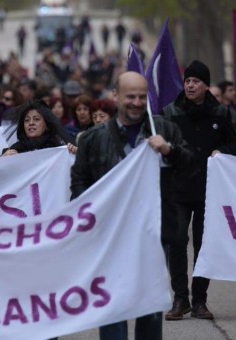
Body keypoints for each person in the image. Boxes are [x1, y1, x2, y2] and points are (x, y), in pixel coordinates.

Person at [71, 71, 193, 340]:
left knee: (148, 307)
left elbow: (190, 168)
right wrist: (90, 216)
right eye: (130, 96)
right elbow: (79, 183)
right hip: (110, 235)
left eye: (141, 96)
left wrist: (169, 150)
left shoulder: (165, 130)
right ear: (116, 96)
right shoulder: (94, 139)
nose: (136, 102)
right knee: (114, 307)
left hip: (153, 233)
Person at [163, 60, 236, 321]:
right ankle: (180, 298)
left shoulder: (220, 114)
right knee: (176, 242)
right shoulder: (170, 112)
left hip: (209, 190)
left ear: (206, 86)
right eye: (187, 81)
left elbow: (235, 145)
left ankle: (200, 300)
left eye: (196, 81)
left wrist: (223, 151)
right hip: (177, 189)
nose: (190, 85)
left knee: (204, 245)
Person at [1, 101, 75, 156]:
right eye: (27, 120)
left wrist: (74, 153)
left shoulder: (58, 147)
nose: (31, 123)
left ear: (46, 125)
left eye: (36, 119)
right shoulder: (16, 149)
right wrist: (3, 158)